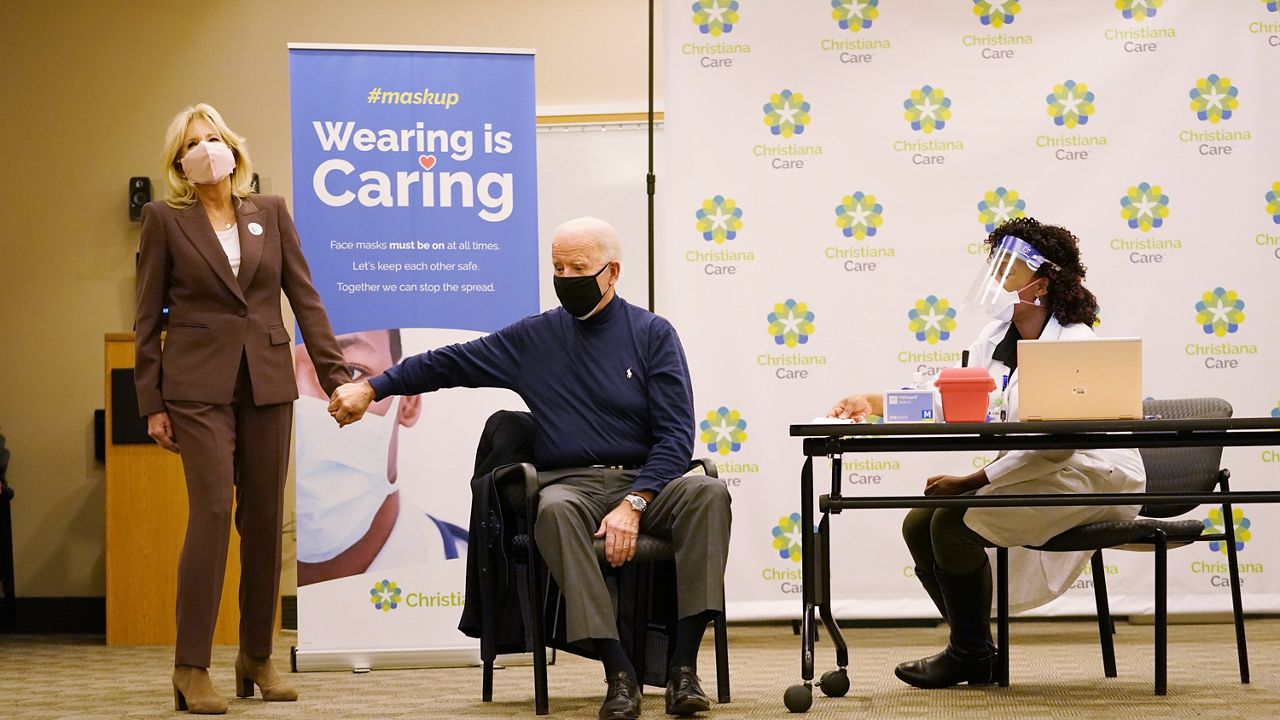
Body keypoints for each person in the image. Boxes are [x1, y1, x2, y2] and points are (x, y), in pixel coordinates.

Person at [329, 217, 732, 720]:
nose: (566, 278)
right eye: (558, 268)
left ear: (613, 272)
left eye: (579, 268)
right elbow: (449, 363)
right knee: (553, 508)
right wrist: (374, 387)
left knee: (709, 495)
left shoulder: (652, 334)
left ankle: (682, 669)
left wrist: (636, 502)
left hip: (644, 482)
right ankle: (619, 673)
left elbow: (675, 437)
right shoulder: (535, 338)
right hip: (573, 484)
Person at [827, 217, 1146, 689]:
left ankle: (969, 654)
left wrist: (972, 481)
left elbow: (1054, 450)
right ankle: (973, 648)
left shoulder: (1075, 343)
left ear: (1040, 283)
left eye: (1008, 270)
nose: (997, 280)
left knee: (951, 521)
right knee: (919, 521)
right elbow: (954, 398)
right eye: (995, 267)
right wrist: (874, 402)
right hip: (1040, 469)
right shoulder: (997, 338)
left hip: (1097, 477)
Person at [135, 103, 350, 714]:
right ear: (179, 163)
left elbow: (304, 298)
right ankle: (190, 665)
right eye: (192, 144)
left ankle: (257, 656)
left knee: (263, 522)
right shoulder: (164, 219)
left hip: (267, 381)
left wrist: (335, 377)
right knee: (210, 512)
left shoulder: (271, 212)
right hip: (196, 387)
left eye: (213, 138)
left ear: (233, 147)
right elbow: (147, 318)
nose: (205, 149)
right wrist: (151, 401)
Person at [293, 328, 468, 585]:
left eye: (349, 372)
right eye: (270, 376)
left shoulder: (488, 583)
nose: (303, 407)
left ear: (408, 399)